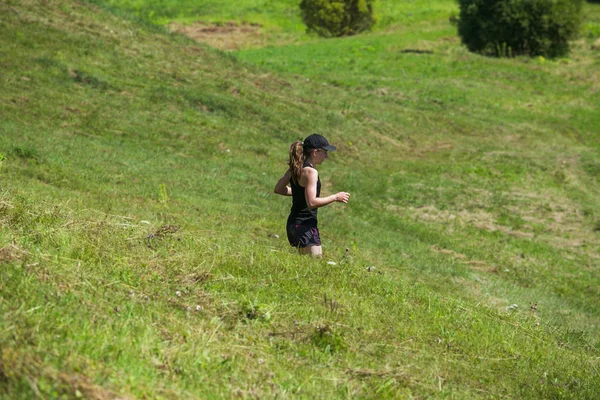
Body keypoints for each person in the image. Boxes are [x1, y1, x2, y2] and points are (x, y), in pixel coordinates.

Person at [274, 134, 350, 257]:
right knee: (314, 264)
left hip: (293, 224)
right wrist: (335, 197)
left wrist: (300, 193)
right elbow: (312, 203)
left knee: (309, 265)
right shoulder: (311, 172)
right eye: (325, 152)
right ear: (315, 152)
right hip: (305, 224)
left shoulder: (295, 168)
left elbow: (279, 189)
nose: (326, 156)